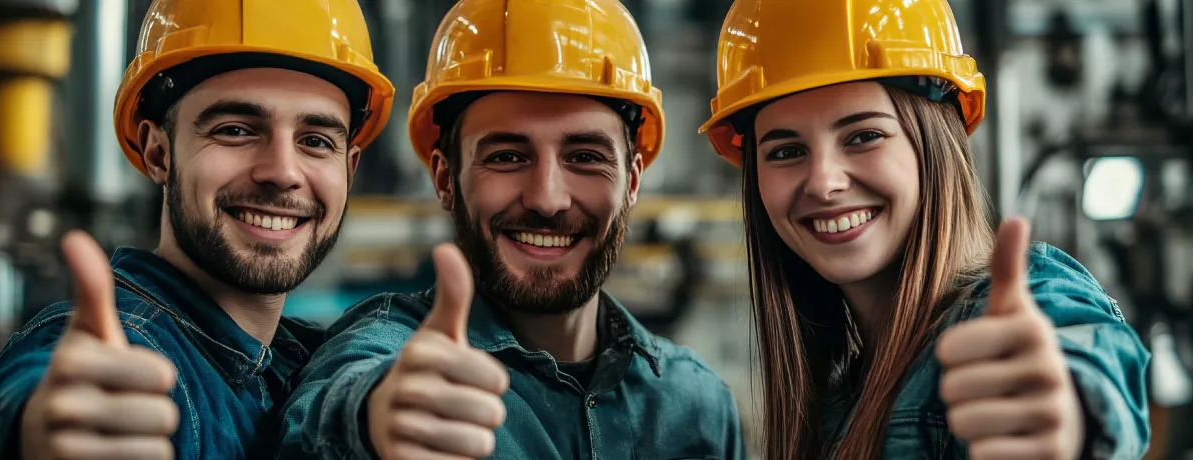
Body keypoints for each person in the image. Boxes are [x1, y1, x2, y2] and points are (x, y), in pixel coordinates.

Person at [277, 0, 747, 459]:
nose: (547, 199)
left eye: (585, 157)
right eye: (507, 157)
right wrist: (373, 418)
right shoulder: (392, 352)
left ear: (633, 181)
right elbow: (323, 415)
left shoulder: (697, 406)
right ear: (445, 178)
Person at [697, 1, 1151, 459]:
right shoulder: (837, 402)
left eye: (863, 136)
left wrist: (1066, 417)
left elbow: (1079, 360)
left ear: (935, 141)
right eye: (785, 151)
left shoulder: (1013, 305)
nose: (822, 182)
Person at [0, 0, 394, 458]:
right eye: (236, 130)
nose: (283, 171)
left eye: (316, 142)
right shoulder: (121, 348)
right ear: (158, 153)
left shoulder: (303, 364)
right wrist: (36, 432)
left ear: (350, 168)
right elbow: (29, 401)